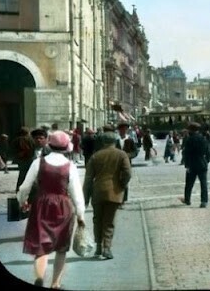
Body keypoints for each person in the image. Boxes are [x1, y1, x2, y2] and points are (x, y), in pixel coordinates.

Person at [17, 130, 86, 289]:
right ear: (65, 148)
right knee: (61, 248)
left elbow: (24, 187)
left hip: (42, 204)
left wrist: (22, 202)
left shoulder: (38, 162)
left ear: (50, 145)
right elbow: (77, 194)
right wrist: (81, 215)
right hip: (63, 207)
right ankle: (55, 283)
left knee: (41, 247)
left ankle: (40, 277)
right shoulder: (70, 166)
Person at [83, 130, 132, 260]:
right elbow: (127, 173)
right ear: (115, 141)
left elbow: (88, 179)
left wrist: (85, 198)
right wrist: (121, 184)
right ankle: (107, 248)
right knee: (109, 221)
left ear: (103, 141)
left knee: (97, 220)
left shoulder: (95, 156)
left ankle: (98, 247)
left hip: (97, 191)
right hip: (114, 192)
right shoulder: (121, 155)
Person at [179, 122, 210, 207]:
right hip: (202, 164)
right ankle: (204, 201)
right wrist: (206, 161)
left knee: (189, 184)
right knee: (203, 183)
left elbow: (186, 153)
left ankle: (187, 200)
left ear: (191, 130)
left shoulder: (189, 139)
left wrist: (187, 165)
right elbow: (208, 152)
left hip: (192, 164)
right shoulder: (203, 139)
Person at [115, 122, 137, 204]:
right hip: (116, 164)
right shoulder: (116, 141)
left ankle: (123, 199)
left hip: (127, 164)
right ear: (119, 131)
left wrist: (129, 155)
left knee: (125, 180)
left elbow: (135, 152)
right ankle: (118, 198)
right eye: (121, 130)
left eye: (125, 130)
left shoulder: (130, 140)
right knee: (116, 181)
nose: (123, 131)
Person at [10, 126, 35, 191]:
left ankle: (20, 189)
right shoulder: (27, 139)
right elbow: (28, 149)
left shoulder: (17, 139)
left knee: (22, 174)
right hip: (28, 159)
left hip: (22, 159)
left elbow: (12, 150)